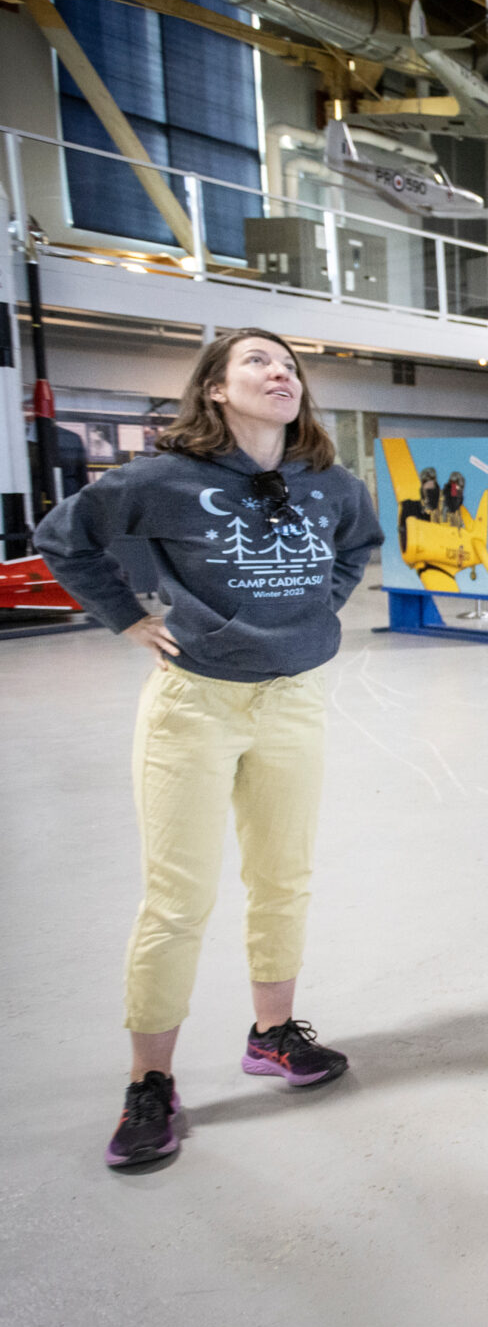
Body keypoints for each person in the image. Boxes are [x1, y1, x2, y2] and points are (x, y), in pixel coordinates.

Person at [35, 327, 384, 1173]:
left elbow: (357, 548)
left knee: (282, 877)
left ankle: (273, 1033)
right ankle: (149, 1081)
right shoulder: (162, 479)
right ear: (216, 389)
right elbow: (63, 535)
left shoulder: (330, 482)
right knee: (177, 899)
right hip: (195, 703)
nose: (281, 373)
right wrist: (126, 617)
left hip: (292, 697)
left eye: (291, 365)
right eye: (258, 361)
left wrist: (314, 612)